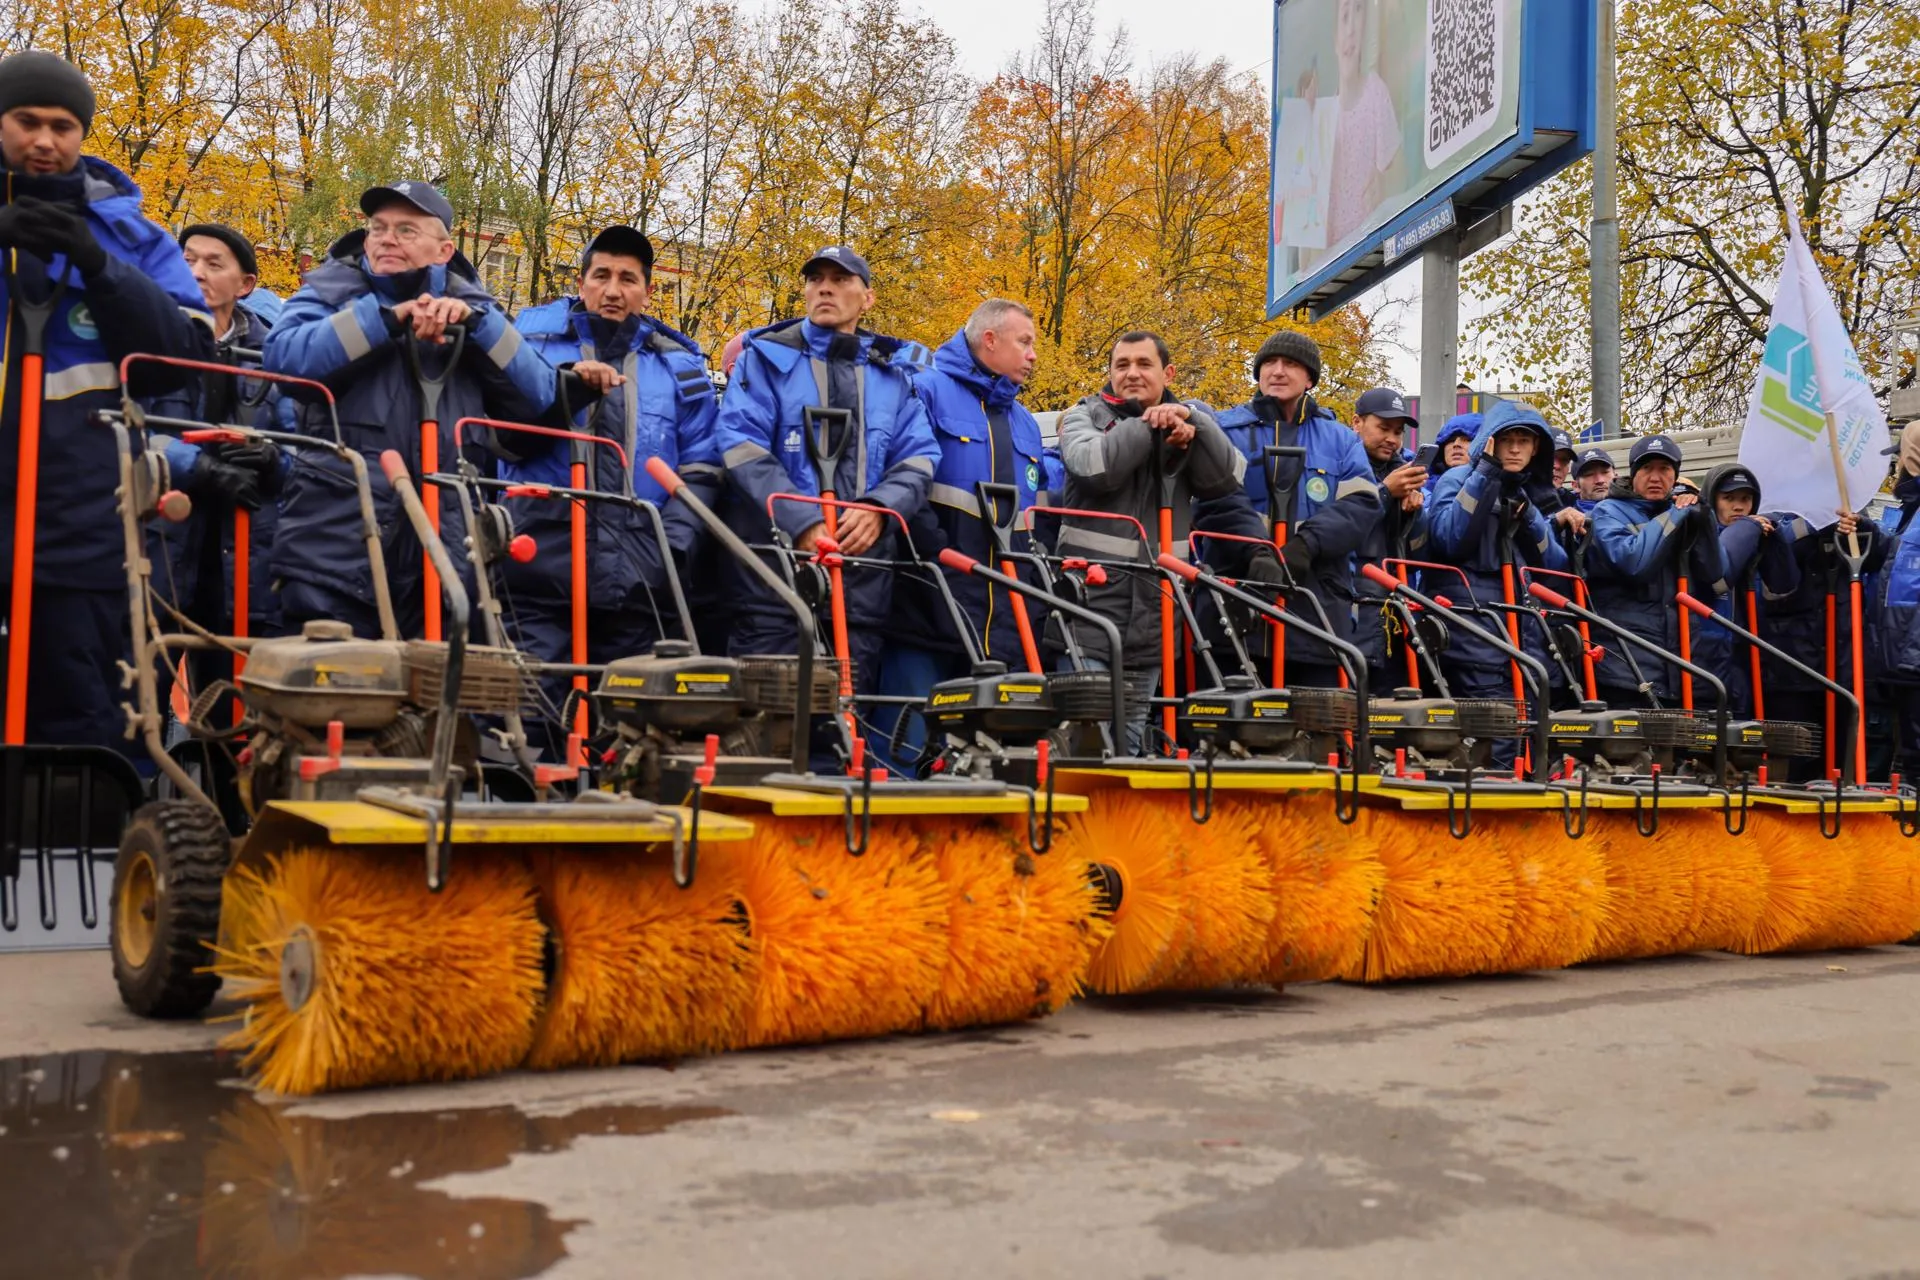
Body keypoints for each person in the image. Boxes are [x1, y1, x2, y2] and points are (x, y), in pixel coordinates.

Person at [0, 51, 211, 751]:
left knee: (82, 719)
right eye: (26, 121)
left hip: (79, 522)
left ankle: (65, 846)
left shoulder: (130, 238)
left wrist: (101, 270)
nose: (44, 140)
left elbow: (181, 360)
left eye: (63, 126)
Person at [264, 179, 568, 638]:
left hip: (445, 551)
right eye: (378, 228)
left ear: (444, 250)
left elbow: (539, 392)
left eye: (407, 230)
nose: (387, 238)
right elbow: (283, 360)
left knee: (437, 701)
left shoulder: (476, 306)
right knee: (336, 695)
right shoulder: (329, 289)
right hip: (336, 543)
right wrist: (384, 321)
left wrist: (477, 328)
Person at [493, 226, 719, 735]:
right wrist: (565, 391)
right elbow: (501, 444)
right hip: (539, 570)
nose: (613, 290)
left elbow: (703, 467)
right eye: (602, 276)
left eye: (627, 279)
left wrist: (673, 547)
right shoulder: (529, 347)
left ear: (647, 290)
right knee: (528, 725)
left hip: (641, 576)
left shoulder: (681, 368)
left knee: (633, 735)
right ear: (581, 281)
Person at [715, 245, 937, 710]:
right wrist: (801, 521)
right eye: (815, 278)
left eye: (840, 279)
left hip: (860, 591)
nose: (825, 287)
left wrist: (881, 510)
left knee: (845, 728)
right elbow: (741, 444)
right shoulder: (766, 360)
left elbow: (918, 457)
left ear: (868, 297)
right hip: (773, 584)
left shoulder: (892, 377)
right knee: (768, 730)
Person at [876, 298, 1053, 769]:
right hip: (928, 606)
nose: (1033, 354)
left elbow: (1031, 520)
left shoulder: (1025, 424)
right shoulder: (924, 390)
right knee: (905, 748)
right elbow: (902, 481)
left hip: (1003, 627)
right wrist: (935, 554)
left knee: (983, 761)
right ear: (989, 340)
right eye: (1025, 342)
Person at [1055, 332, 1247, 755]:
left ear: (1168, 373)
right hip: (1088, 616)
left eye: (1144, 364)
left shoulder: (1185, 421)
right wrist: (1150, 424)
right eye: (1122, 365)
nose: (1132, 373)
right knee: (1089, 748)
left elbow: (1229, 476)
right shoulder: (1082, 416)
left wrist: (1192, 420)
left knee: (1130, 746)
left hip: (1155, 622)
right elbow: (1094, 466)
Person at [151, 224, 285, 704]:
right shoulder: (150, 335)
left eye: (213, 263)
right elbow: (126, 428)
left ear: (245, 283)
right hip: (159, 543)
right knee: (136, 698)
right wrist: (198, 467)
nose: (196, 272)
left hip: (241, 552)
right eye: (188, 259)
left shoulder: (272, 355)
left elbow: (301, 449)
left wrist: (273, 460)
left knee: (232, 711)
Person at [1213, 330, 1381, 690]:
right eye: (1269, 363)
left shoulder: (1341, 439)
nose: (1277, 371)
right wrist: (1255, 549)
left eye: (1290, 364)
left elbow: (1362, 505)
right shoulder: (1225, 431)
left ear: (1310, 379)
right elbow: (1216, 500)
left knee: (1319, 729)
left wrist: (1307, 545)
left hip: (1317, 611)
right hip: (1239, 602)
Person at [1425, 401, 1569, 765]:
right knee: (1497, 745)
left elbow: (1554, 565)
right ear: (1490, 443)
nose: (1517, 449)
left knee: (1530, 747)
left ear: (1536, 449)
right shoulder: (1457, 479)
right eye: (1509, 441)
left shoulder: (1528, 494)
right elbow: (1449, 541)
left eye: (1525, 441)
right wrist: (1485, 475)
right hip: (1475, 640)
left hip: (1525, 644)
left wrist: (1532, 520)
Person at [1585, 434, 1729, 709]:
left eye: (1664, 469)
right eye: (1647, 469)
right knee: (1631, 752)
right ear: (1632, 474)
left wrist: (1705, 519)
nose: (1655, 477)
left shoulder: (1684, 513)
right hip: (1625, 670)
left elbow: (1714, 575)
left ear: (1675, 476)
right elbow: (1633, 563)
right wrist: (1674, 515)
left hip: (1680, 668)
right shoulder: (1608, 511)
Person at [1698, 463, 1798, 717]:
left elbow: (1784, 583)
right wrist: (1745, 531)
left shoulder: (1757, 535)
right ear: (1712, 499)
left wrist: (1774, 540)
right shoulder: (1701, 540)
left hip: (1747, 660)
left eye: (1746, 498)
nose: (1739, 506)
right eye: (1728, 498)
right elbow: (1719, 577)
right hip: (1706, 660)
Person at [1349, 387, 1428, 692]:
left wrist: (1413, 513)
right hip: (1355, 605)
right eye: (1383, 428)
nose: (1392, 439)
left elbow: (1418, 553)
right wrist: (1384, 492)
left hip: (1394, 608)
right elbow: (1338, 528)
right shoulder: (1340, 463)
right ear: (1357, 422)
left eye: (1398, 431)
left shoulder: (1403, 473)